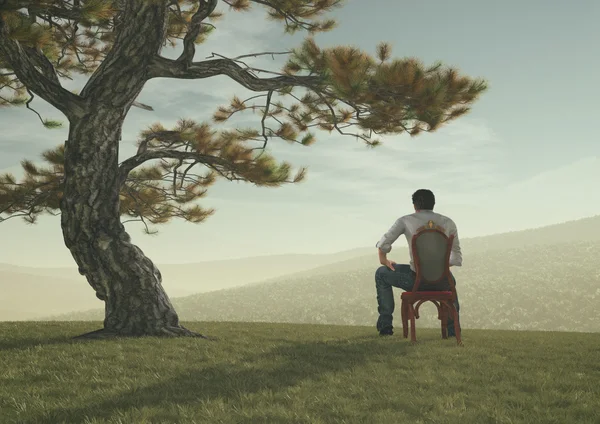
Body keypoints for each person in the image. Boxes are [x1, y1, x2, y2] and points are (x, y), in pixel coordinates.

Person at [374, 189, 462, 337]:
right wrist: (437, 267)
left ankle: (386, 328)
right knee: (451, 280)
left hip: (415, 280)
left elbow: (384, 243)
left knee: (381, 274)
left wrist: (384, 260)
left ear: (414, 205)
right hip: (442, 281)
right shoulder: (448, 222)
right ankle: (453, 331)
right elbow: (456, 258)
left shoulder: (405, 220)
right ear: (433, 204)